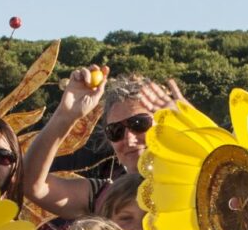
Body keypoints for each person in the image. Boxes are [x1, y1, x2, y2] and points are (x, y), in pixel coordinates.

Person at [21, 70, 182, 220]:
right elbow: (32, 184)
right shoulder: (103, 197)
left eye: (139, 123)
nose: (129, 139)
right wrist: (65, 115)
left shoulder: (200, 182)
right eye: (115, 131)